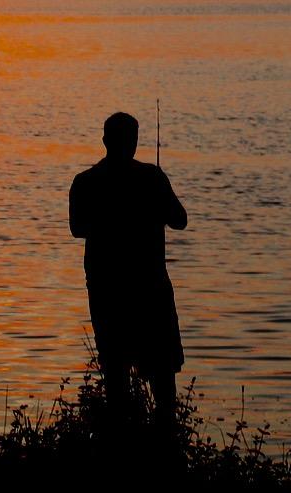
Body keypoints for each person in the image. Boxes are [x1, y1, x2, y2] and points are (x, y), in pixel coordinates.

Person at [69, 112, 187, 443]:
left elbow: (78, 228)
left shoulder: (85, 182)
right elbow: (180, 220)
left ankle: (121, 446)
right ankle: (166, 447)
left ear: (106, 141)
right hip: (149, 291)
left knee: (117, 377)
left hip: (109, 292)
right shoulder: (151, 178)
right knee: (163, 379)